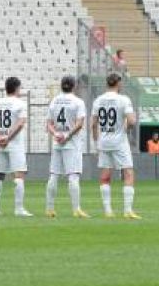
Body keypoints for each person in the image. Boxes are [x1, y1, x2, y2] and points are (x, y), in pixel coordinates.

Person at [91, 73, 140, 220]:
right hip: (119, 141)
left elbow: (93, 124)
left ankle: (108, 210)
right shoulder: (123, 99)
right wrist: (126, 127)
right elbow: (131, 121)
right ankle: (127, 210)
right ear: (118, 84)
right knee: (128, 173)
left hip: (104, 141)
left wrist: (96, 142)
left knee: (106, 175)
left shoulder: (98, 100)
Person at [46, 75, 88, 218]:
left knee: (53, 175)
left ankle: (50, 209)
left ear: (61, 85)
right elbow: (79, 123)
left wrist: (56, 134)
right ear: (74, 86)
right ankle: (76, 209)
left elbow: (49, 124)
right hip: (71, 143)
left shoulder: (54, 101)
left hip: (57, 142)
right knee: (73, 176)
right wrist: (67, 136)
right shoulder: (78, 102)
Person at [0, 77, 32, 217]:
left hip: (0, 143)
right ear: (16, 88)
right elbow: (20, 123)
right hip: (14, 143)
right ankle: (19, 209)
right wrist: (8, 138)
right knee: (19, 175)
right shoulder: (20, 103)